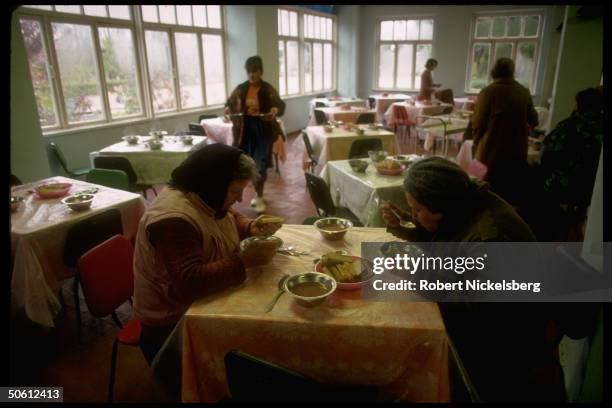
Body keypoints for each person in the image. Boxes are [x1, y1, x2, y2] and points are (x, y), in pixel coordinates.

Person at [380, 157, 567, 402]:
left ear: (441, 206)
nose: (413, 214)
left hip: (510, 357)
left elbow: (472, 303)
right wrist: (408, 227)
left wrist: (416, 274)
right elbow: (448, 240)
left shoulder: (492, 238)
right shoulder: (466, 204)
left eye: (417, 209)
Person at [133, 144, 283, 365]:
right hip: (173, 327)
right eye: (235, 191)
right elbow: (190, 282)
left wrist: (250, 227)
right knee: (265, 342)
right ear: (214, 184)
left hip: (197, 305)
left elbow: (227, 214)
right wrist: (245, 260)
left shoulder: (202, 193)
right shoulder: (172, 220)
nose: (240, 199)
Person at [520, 87, 603, 241]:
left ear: (580, 105)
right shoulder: (599, 128)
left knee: (529, 176)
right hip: (591, 189)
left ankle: (534, 233)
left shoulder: (570, 126)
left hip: (564, 185)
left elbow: (547, 157)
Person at [471, 57, 538, 206]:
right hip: (517, 150)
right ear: (512, 72)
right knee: (509, 193)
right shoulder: (523, 92)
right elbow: (534, 120)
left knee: (484, 191)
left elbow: (478, 123)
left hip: (491, 151)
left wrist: (476, 145)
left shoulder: (488, 92)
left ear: (494, 72)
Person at [225, 55, 286, 213]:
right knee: (243, 163)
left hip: (263, 130)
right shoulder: (241, 88)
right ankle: (239, 194)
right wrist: (227, 110)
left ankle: (259, 196)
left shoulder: (267, 89)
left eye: (255, 71)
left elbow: (280, 105)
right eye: (249, 72)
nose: (252, 75)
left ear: (261, 71)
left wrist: (274, 110)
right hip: (244, 131)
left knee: (261, 163)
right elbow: (230, 103)